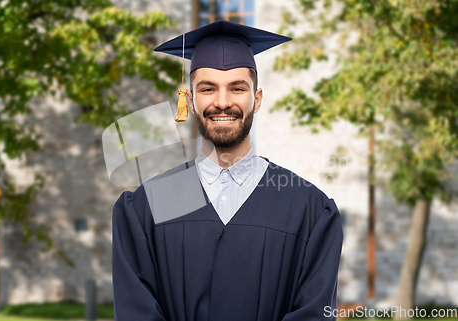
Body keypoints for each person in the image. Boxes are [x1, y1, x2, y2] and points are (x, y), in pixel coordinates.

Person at [112, 20, 343, 321]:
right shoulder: (150, 206)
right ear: (191, 100)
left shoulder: (307, 209)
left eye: (237, 88)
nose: (222, 102)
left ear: (256, 99)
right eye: (208, 89)